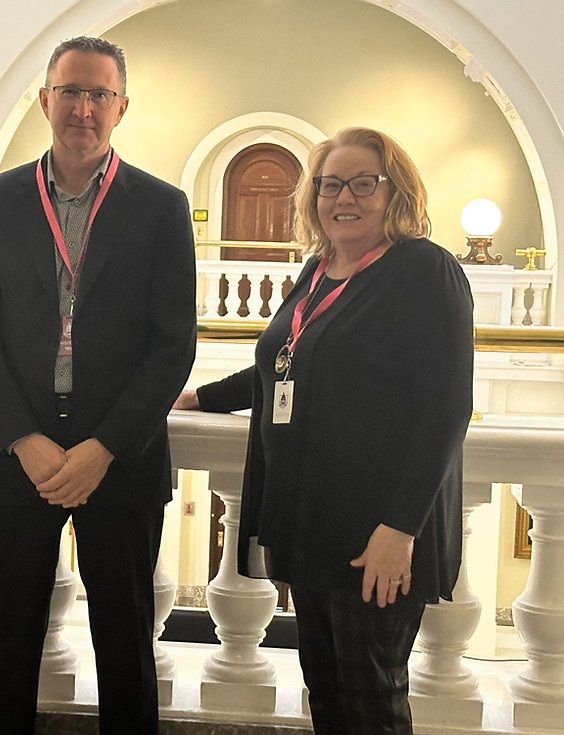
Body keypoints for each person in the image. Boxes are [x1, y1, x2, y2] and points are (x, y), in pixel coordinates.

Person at [176, 127, 474, 735]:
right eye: (329, 185)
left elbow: (446, 409)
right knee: (328, 695)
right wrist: (199, 397)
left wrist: (401, 527)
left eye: (364, 183)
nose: (345, 197)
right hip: (312, 520)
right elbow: (282, 364)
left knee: (372, 701)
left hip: (377, 529)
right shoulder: (318, 271)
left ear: (397, 192)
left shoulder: (425, 270)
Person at [0, 36, 196, 735]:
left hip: (119, 458)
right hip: (21, 452)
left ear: (121, 106)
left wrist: (106, 446)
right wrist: (22, 436)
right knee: (13, 637)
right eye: (70, 92)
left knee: (125, 643)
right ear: (44, 101)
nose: (83, 108)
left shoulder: (160, 206)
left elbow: (172, 342)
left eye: (98, 94)